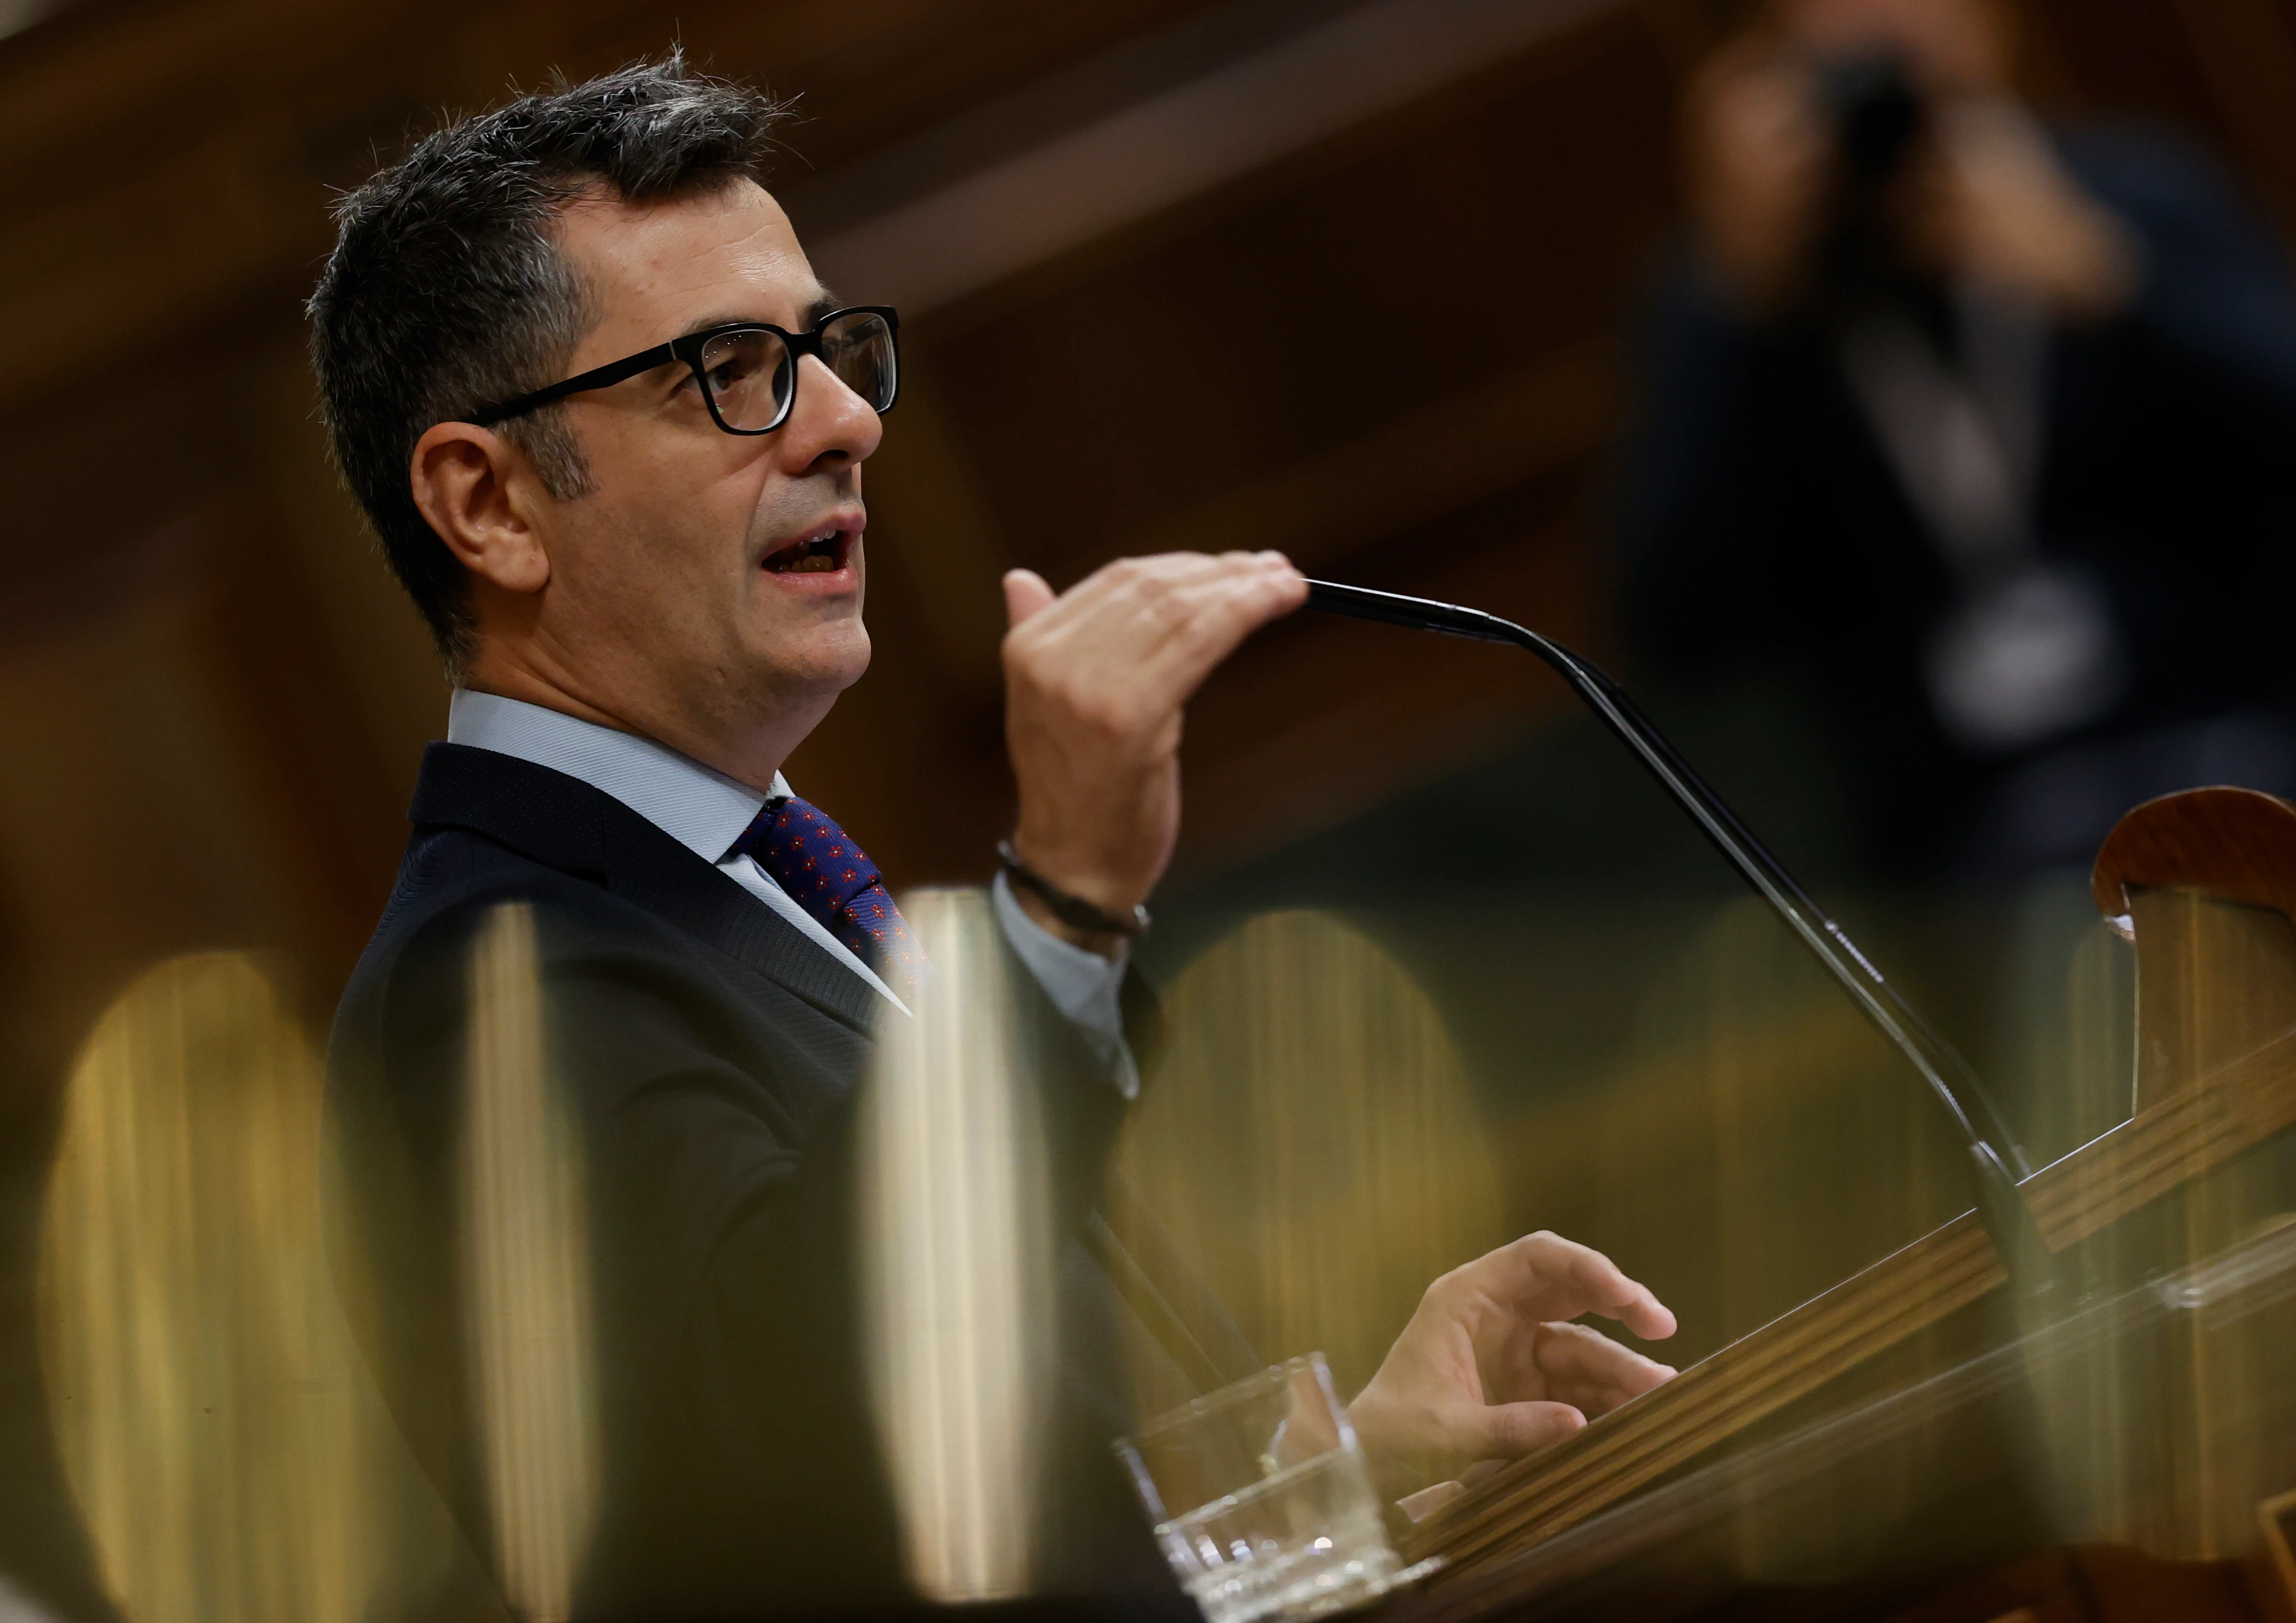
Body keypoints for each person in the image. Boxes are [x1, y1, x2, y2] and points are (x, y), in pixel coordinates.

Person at [311, 58, 1676, 1615]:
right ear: (490, 504)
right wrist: (1062, 908)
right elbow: (789, 1456)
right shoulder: (480, 987)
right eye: (732, 368)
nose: (842, 421)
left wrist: (1343, 1469)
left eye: (829, 349)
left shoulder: (754, 884)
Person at [1620, 0, 2296, 884]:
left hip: (2260, 750)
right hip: (1981, 847)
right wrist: (1738, 295)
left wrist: (2119, 286)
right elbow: (1672, 628)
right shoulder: (1748, 307)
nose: (1881, 28)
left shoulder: (2132, 195)